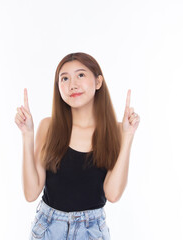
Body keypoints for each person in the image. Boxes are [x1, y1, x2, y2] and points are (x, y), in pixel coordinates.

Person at [14, 52, 140, 240]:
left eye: (81, 75)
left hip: (90, 231)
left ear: (98, 82)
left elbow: (113, 195)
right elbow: (31, 193)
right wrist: (27, 134)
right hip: (48, 229)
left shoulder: (116, 130)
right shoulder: (48, 126)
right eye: (64, 78)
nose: (72, 84)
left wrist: (128, 135)